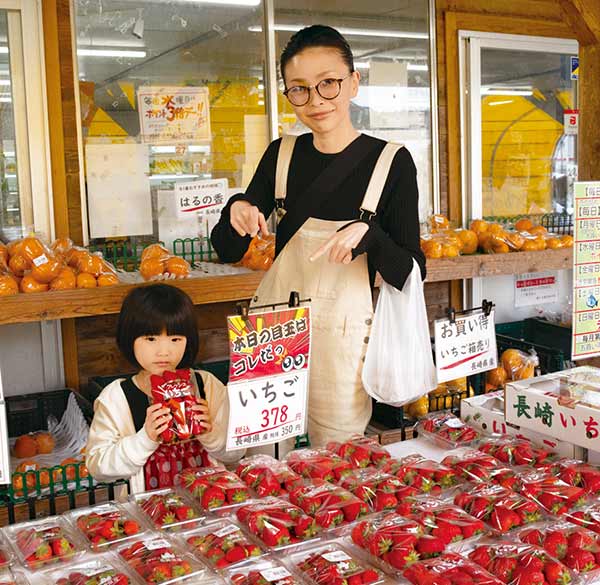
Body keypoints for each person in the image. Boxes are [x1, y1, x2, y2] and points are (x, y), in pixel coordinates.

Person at [211, 25, 426, 448]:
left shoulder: (392, 163)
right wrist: (236, 207)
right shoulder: (282, 154)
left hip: (343, 338)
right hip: (273, 332)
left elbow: (412, 271)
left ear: (353, 82)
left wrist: (371, 235)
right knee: (262, 454)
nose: (316, 101)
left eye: (329, 83)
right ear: (288, 94)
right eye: (300, 89)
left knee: (338, 457)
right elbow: (228, 247)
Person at [86, 283, 238, 494]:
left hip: (210, 502)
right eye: (151, 339)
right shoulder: (116, 398)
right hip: (147, 511)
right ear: (129, 338)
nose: (164, 351)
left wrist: (211, 434)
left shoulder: (206, 385)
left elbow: (237, 454)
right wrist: (145, 438)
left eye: (175, 339)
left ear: (188, 341)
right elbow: (98, 467)